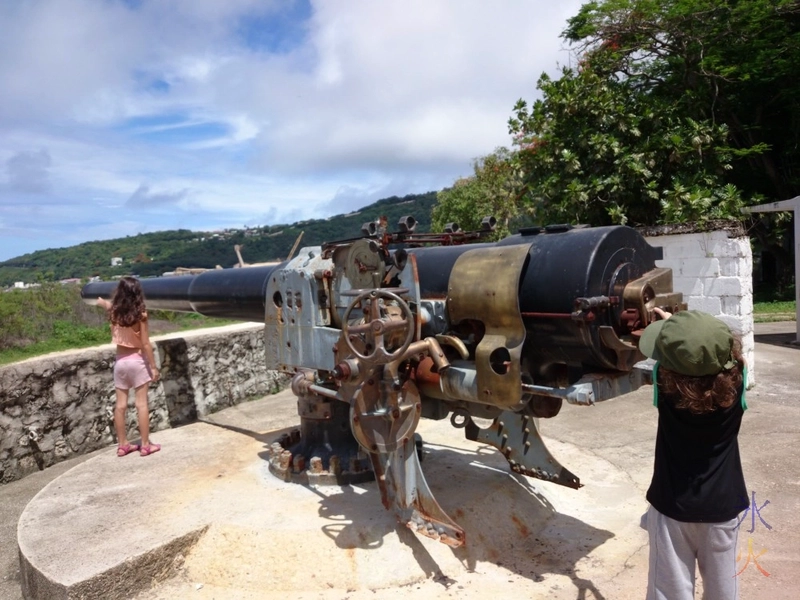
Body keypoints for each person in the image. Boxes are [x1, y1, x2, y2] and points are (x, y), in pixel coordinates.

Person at [638, 309, 747, 600]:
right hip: (723, 507)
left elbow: (665, 358)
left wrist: (672, 324)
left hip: (672, 506)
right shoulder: (738, 383)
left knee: (669, 592)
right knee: (724, 592)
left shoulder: (664, 385)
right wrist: (691, 330)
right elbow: (726, 355)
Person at [97, 276, 161, 457]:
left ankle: (123, 444)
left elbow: (110, 307)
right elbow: (145, 343)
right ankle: (146, 445)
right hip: (137, 361)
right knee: (141, 404)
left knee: (120, 406)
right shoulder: (141, 315)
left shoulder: (114, 313)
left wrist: (103, 303)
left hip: (120, 363)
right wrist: (154, 367)